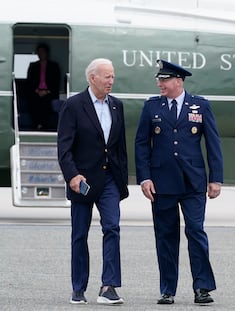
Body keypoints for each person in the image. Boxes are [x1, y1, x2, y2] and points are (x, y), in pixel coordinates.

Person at [135, 59, 224, 305]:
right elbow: (141, 144)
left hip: (193, 181)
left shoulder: (200, 105)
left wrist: (216, 178)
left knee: (195, 232)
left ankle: (202, 287)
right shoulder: (152, 107)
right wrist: (144, 177)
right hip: (161, 182)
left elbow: (213, 143)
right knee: (165, 235)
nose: (159, 83)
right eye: (159, 80)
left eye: (164, 80)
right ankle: (167, 289)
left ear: (178, 81)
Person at [57, 58, 129, 305]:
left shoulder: (117, 106)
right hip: (83, 180)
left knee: (112, 228)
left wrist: (122, 181)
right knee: (80, 234)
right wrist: (72, 175)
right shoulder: (74, 105)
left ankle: (108, 286)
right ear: (92, 78)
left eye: (112, 76)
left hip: (109, 179)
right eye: (107, 76)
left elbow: (119, 148)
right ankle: (78, 288)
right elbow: (64, 148)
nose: (111, 81)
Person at [26, 43, 60, 130]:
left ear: (47, 53)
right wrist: (37, 90)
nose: (41, 54)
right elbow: (29, 81)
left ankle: (44, 126)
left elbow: (56, 81)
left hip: (49, 92)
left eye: (43, 52)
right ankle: (35, 125)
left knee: (47, 104)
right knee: (33, 102)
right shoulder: (33, 66)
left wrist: (47, 91)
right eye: (39, 52)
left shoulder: (54, 66)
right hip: (36, 92)